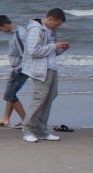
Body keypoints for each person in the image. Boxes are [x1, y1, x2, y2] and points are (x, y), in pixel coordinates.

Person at [19, 8, 70, 143]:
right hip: (40, 71)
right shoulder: (36, 30)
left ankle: (41, 131)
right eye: (57, 24)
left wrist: (61, 49)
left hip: (51, 68)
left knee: (49, 98)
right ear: (50, 19)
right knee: (39, 100)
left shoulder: (51, 30)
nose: (57, 27)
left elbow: (50, 52)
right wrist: (54, 46)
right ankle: (27, 131)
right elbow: (33, 51)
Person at [0, 15, 28, 127]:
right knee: (11, 94)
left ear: (5, 25)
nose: (0, 31)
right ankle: (5, 117)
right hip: (18, 67)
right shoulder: (16, 32)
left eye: (0, 28)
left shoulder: (18, 35)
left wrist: (18, 69)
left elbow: (26, 55)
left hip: (20, 69)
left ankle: (26, 121)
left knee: (9, 95)